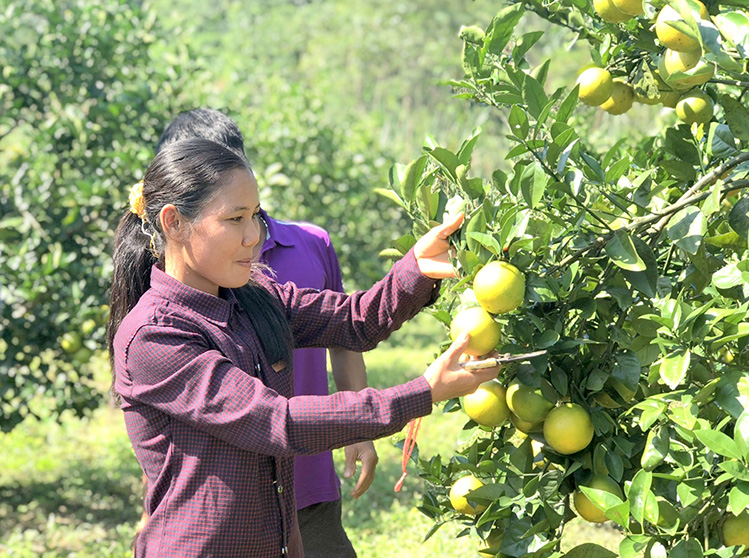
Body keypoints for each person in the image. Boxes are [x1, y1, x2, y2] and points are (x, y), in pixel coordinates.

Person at [107, 138, 499, 558]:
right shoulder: (154, 336)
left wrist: (415, 269)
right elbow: (278, 423)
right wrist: (420, 393)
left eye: (255, 216)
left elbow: (355, 321)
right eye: (235, 219)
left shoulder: (255, 298)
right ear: (173, 222)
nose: (253, 236)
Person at [156, 108, 374, 557]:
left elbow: (348, 327)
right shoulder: (168, 288)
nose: (247, 237)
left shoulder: (310, 245)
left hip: (310, 476)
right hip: (229, 501)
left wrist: (360, 428)